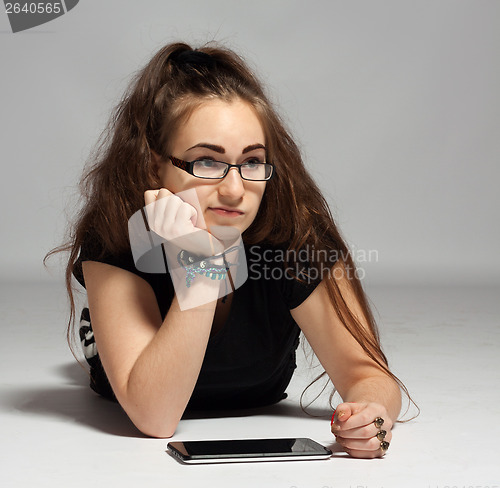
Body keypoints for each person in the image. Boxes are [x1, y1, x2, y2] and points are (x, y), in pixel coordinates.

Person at [45, 41, 414, 459]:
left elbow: (366, 372)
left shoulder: (292, 236)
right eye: (206, 161)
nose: (235, 190)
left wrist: (373, 415)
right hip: (130, 382)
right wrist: (200, 268)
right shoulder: (117, 235)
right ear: (154, 167)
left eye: (252, 162)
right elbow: (155, 416)